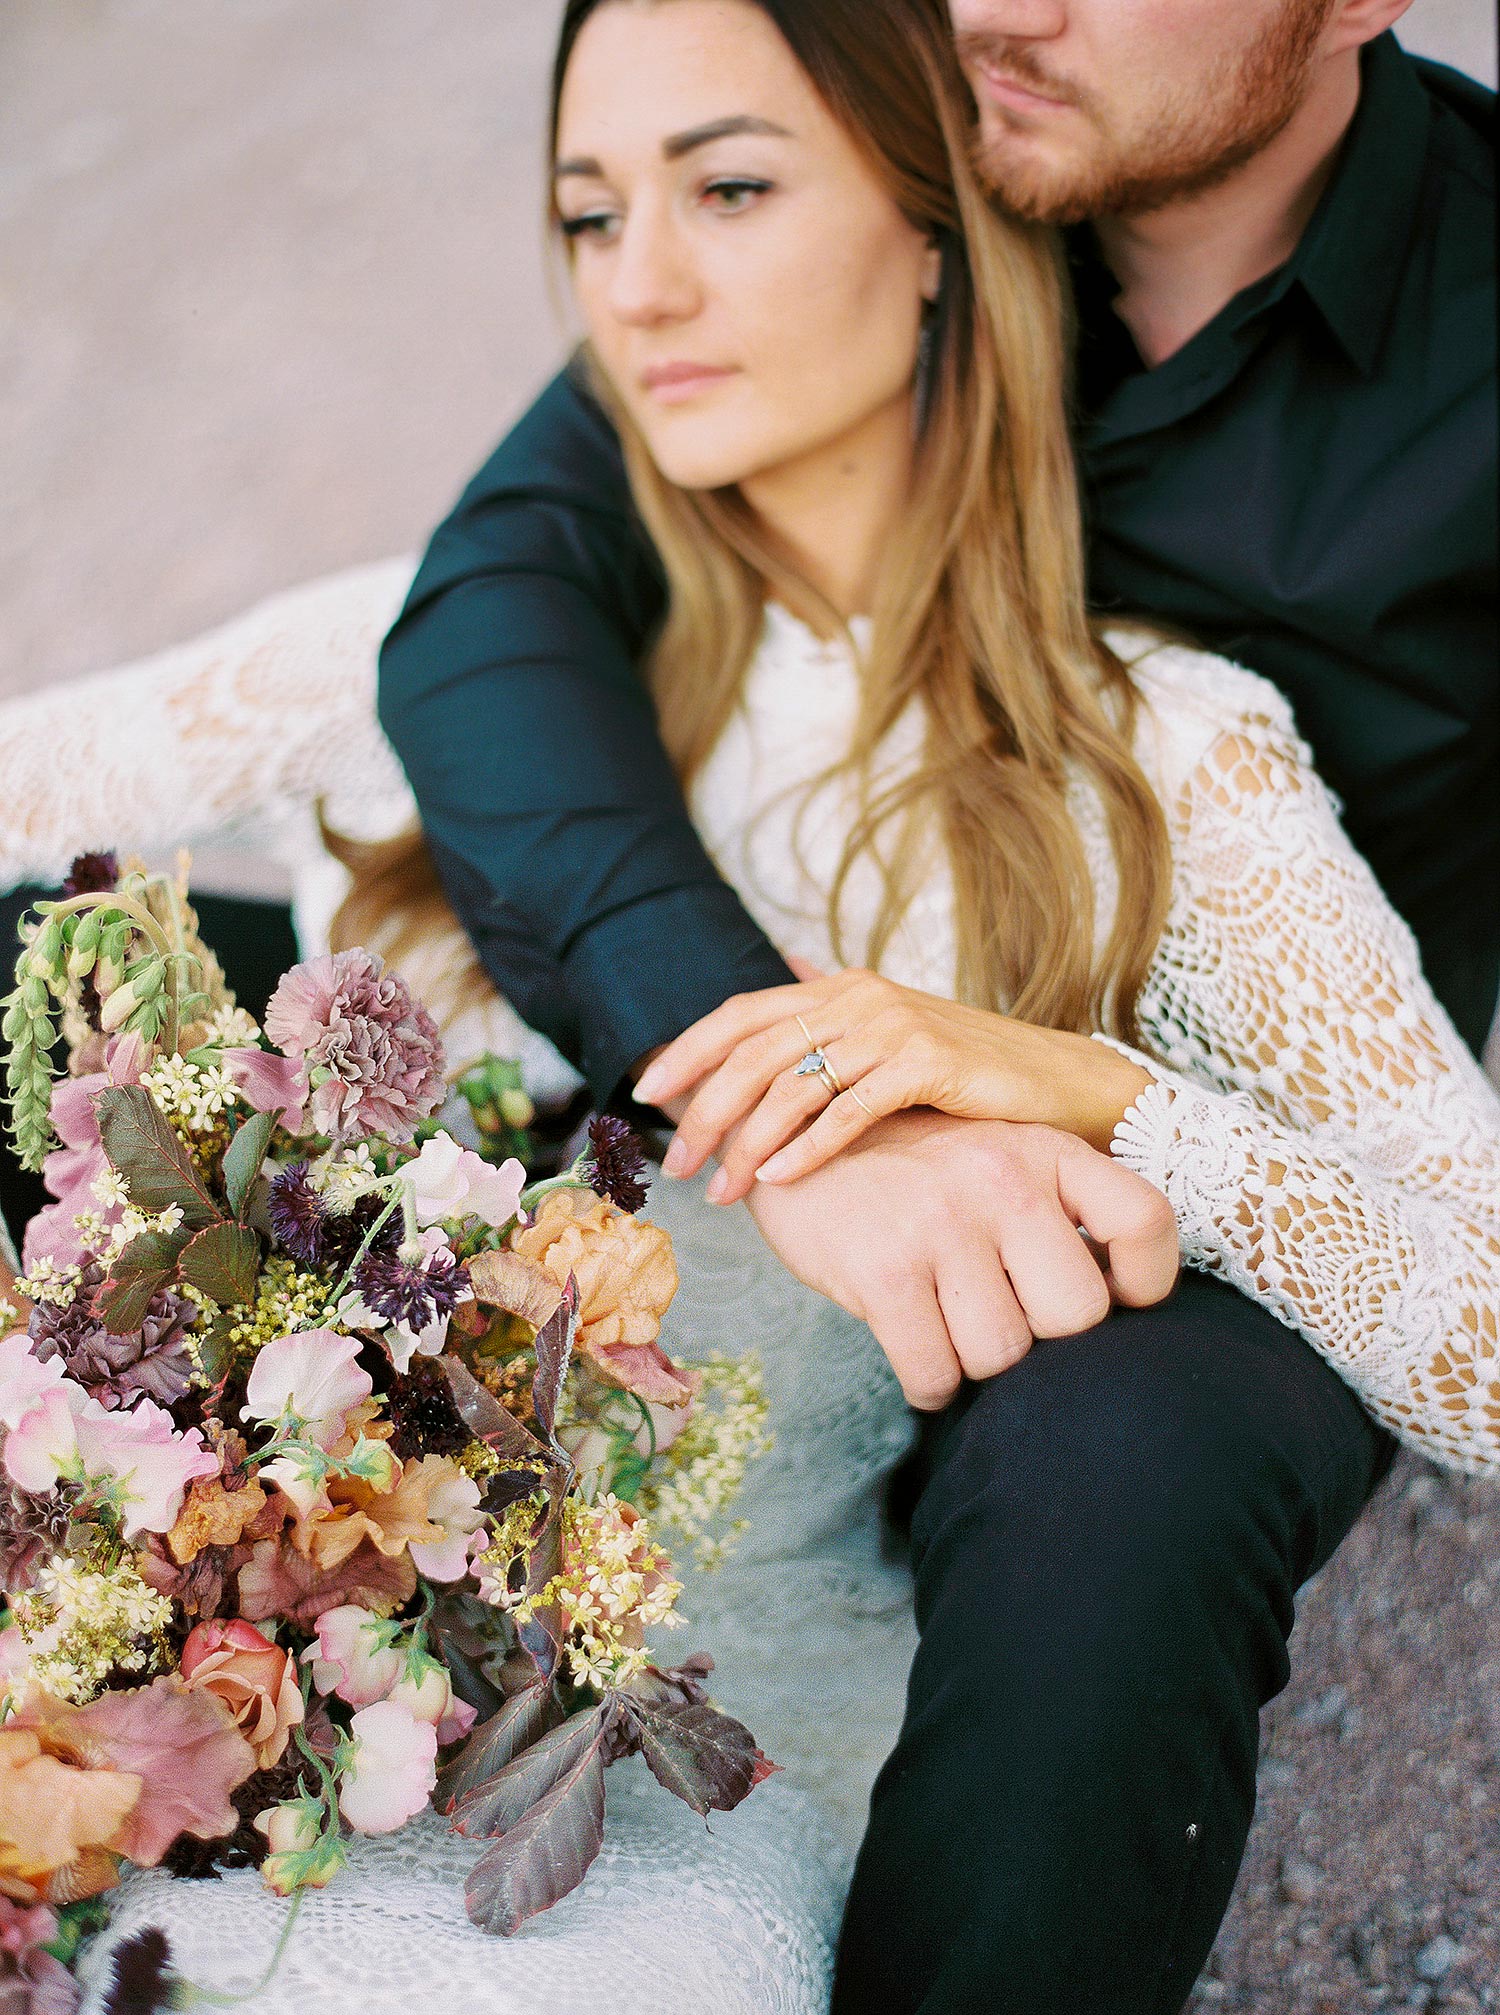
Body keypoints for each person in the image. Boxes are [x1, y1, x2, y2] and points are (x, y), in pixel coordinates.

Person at [1, 4, 1493, 2013]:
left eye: (729, 190)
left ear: (942, 233)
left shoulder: (1173, 756)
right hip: (290, 1666)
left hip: (686, 1729)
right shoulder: (475, 632)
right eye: (588, 216)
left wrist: (1098, 1097)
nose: (641, 288)